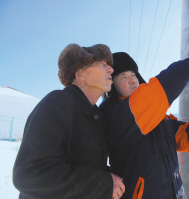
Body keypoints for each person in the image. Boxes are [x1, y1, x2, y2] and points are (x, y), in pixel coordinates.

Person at [99, 34, 189, 199]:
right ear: (112, 86)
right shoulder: (115, 114)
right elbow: (157, 93)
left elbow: (187, 139)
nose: (132, 80)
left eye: (133, 75)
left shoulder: (157, 115)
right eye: (123, 77)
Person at [13, 43, 125, 199]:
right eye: (102, 64)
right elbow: (29, 174)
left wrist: (112, 177)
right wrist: (103, 184)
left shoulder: (96, 116)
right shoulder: (57, 103)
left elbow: (81, 164)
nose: (111, 69)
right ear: (80, 74)